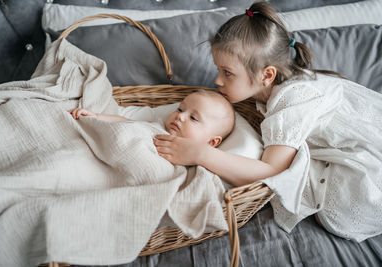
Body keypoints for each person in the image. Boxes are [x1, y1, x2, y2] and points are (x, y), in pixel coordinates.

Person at [153, 1, 382, 242]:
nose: (217, 80)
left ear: (267, 75)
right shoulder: (281, 88)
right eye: (218, 70)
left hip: (368, 176)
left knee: (301, 180)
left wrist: (200, 154)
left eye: (227, 73)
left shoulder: (292, 96)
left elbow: (273, 172)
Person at [69, 90, 235, 148]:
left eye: (193, 118)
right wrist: (97, 117)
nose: (180, 116)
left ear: (211, 143)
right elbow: (125, 123)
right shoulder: (157, 128)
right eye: (180, 109)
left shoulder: (196, 158)